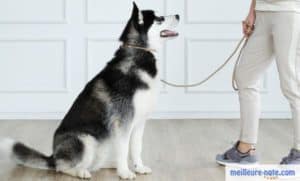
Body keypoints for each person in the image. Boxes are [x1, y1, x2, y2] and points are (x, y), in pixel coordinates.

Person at [216, 0, 300, 165]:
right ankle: (245, 149)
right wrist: (252, 11)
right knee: (245, 76)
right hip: (262, 13)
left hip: (290, 13)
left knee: (292, 84)